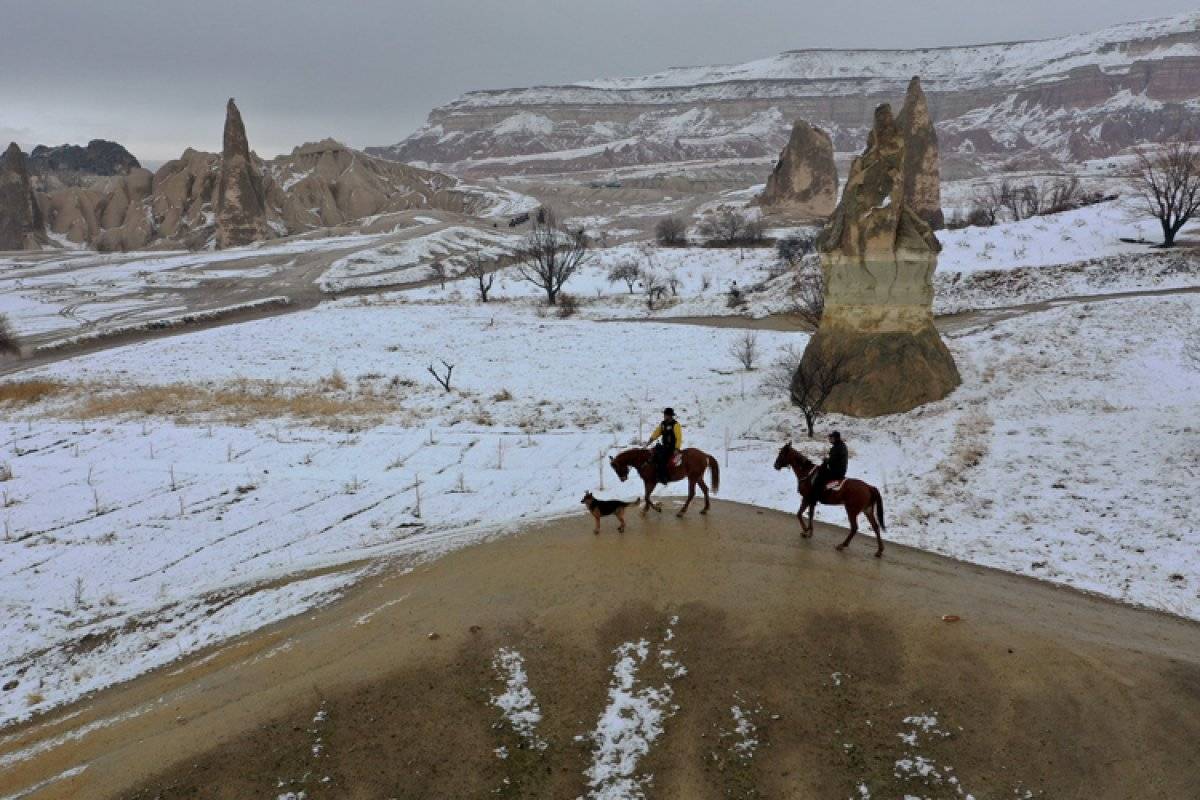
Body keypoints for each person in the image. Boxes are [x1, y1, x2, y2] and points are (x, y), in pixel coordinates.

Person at [808, 430, 848, 505]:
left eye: (831, 437)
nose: (830, 439)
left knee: (819, 477)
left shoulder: (838, 447)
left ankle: (816, 496)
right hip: (838, 469)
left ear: (836, 438)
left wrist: (826, 460)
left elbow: (834, 460)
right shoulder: (839, 446)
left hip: (837, 471)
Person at [647, 408, 682, 483]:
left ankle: (664, 477)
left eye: (665, 415)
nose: (664, 416)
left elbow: (678, 438)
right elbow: (657, 432)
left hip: (672, 448)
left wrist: (677, 448)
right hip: (664, 446)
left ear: (670, 416)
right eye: (664, 415)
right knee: (653, 454)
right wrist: (651, 439)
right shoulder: (663, 424)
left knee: (662, 458)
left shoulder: (676, 425)